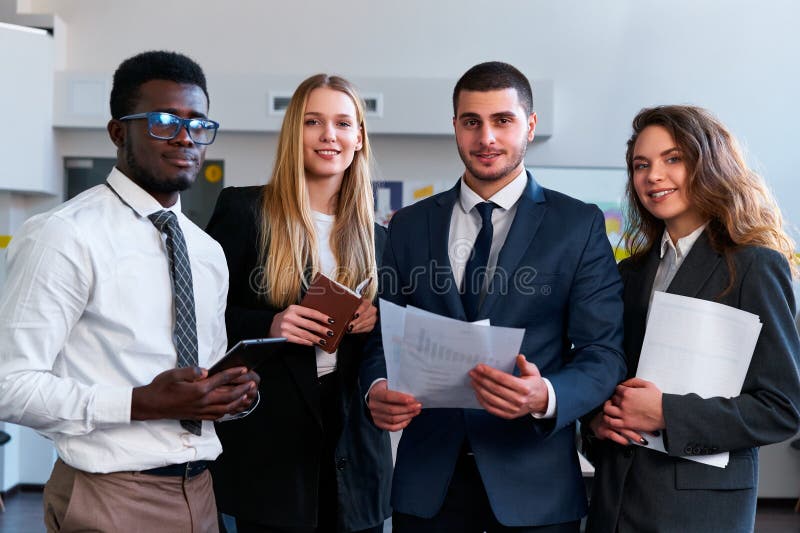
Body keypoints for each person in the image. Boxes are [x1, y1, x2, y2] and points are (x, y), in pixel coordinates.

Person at [0, 50, 260, 532]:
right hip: (110, 495)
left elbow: (202, 371)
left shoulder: (206, 252)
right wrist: (140, 402)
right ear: (119, 132)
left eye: (198, 124)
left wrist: (230, 394)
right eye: (164, 122)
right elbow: (8, 386)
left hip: (203, 494)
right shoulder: (63, 235)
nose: (185, 137)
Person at [361, 61, 627, 532]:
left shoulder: (578, 225)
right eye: (471, 122)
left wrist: (545, 395)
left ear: (530, 124)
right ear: (456, 127)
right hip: (427, 487)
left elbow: (602, 353)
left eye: (502, 120)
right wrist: (376, 388)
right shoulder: (408, 226)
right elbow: (382, 333)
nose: (486, 137)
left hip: (535, 486)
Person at [585, 105, 800, 533]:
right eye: (640, 165)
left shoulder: (754, 266)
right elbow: (609, 378)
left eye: (673, 159)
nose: (652, 175)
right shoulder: (629, 274)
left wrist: (666, 412)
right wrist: (597, 421)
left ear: (708, 164)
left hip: (700, 511)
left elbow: (783, 408)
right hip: (614, 503)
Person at [206, 74, 392, 533]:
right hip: (271, 442)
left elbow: (394, 345)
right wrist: (270, 322)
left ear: (358, 137)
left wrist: (377, 317)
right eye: (314, 122)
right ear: (295, 132)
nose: (329, 135)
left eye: (343, 123)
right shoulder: (245, 211)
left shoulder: (380, 238)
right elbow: (199, 317)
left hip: (353, 443)